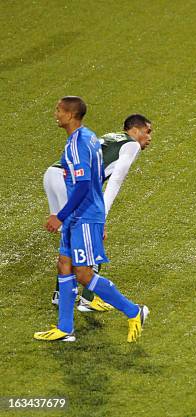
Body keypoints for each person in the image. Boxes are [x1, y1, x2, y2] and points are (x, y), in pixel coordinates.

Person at [34, 96, 148, 342]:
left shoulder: (82, 143)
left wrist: (60, 215)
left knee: (83, 274)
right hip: (79, 212)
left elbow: (85, 184)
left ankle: (134, 311)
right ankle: (65, 329)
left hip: (85, 214)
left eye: (59, 110)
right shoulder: (84, 138)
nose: (56, 114)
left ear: (71, 115)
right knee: (64, 265)